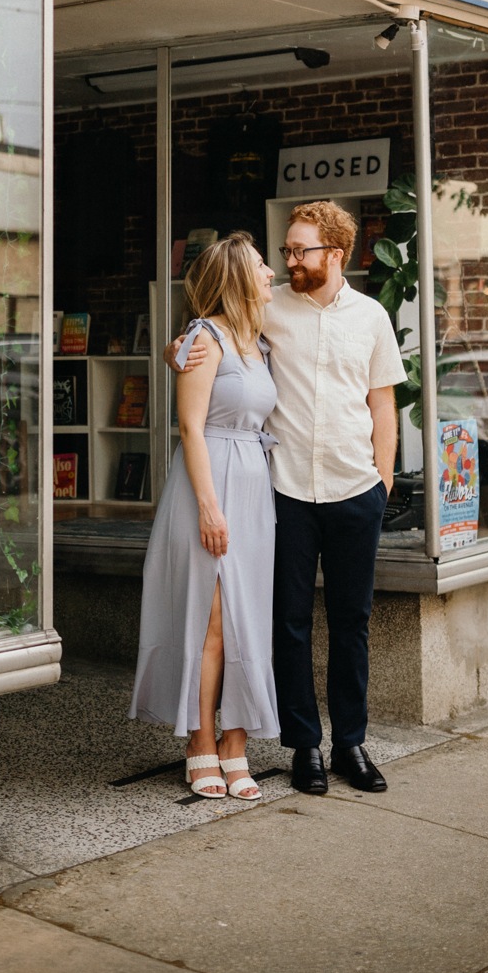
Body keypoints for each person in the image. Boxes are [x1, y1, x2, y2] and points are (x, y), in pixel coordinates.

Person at [172, 199, 404, 796]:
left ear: (336, 253)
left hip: (356, 490)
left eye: (301, 250)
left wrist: (384, 480)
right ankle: (306, 748)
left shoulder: (373, 317)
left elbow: (383, 404)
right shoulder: (268, 309)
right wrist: (182, 346)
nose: (290, 260)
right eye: (286, 251)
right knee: (289, 624)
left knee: (352, 622)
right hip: (287, 493)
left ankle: (351, 742)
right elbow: (215, 331)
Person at [129, 232, 279, 799]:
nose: (271, 274)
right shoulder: (205, 337)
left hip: (253, 486)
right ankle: (200, 742)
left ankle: (237, 743)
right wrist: (209, 506)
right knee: (212, 622)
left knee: (247, 618)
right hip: (209, 483)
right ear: (240, 276)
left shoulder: (258, 341)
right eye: (262, 267)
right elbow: (190, 426)